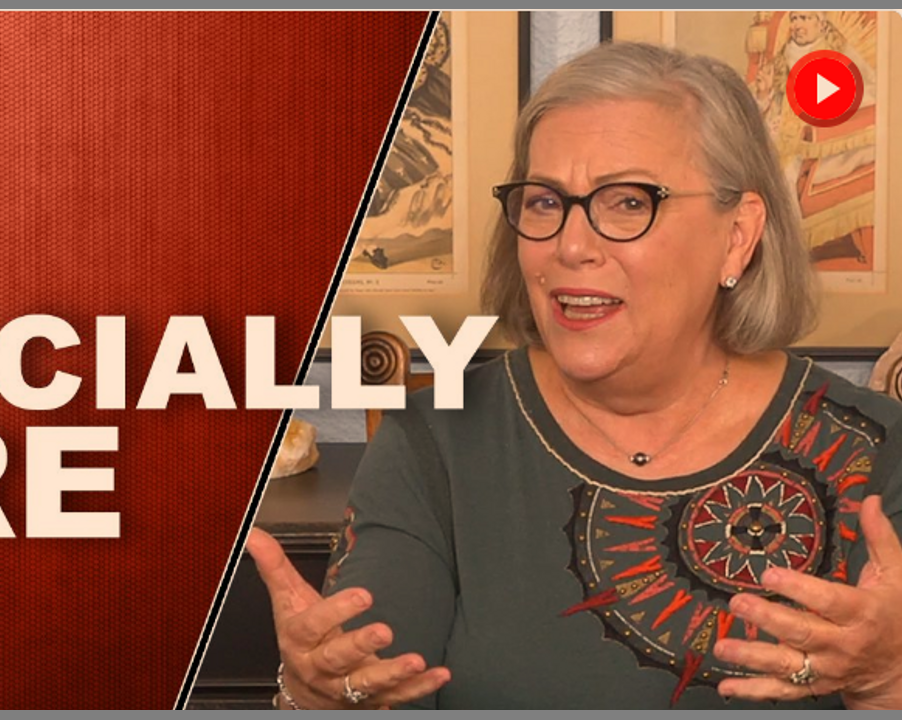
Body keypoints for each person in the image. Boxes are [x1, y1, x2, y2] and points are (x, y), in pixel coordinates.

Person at [248, 41, 902, 710]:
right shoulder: (438, 439)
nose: (570, 245)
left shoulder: (879, 451)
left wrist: (886, 683)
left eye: (628, 203)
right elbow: (368, 682)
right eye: (544, 202)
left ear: (737, 235)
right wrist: (313, 693)